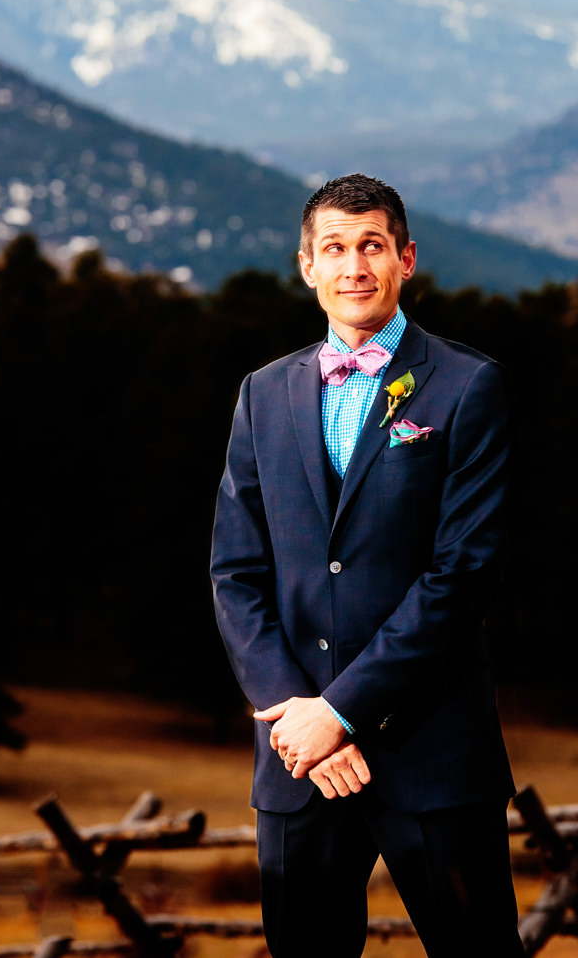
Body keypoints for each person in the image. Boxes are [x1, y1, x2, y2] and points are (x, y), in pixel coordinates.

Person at [209, 175, 526, 957]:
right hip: (300, 763)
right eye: (336, 249)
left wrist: (339, 710)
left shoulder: (466, 386)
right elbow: (235, 572)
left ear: (406, 259)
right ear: (307, 266)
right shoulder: (262, 394)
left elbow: (462, 576)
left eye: (373, 246)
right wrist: (297, 715)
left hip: (432, 754)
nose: (355, 266)